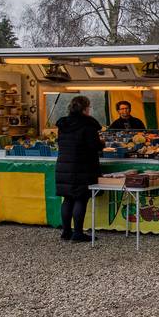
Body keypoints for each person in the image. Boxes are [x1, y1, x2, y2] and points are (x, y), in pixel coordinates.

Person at [55, 95, 103, 242]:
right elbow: (93, 145)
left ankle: (66, 232)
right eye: (89, 107)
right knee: (81, 198)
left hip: (64, 165)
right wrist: (102, 143)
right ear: (85, 108)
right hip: (83, 166)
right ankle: (78, 233)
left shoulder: (63, 124)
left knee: (68, 198)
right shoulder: (88, 125)